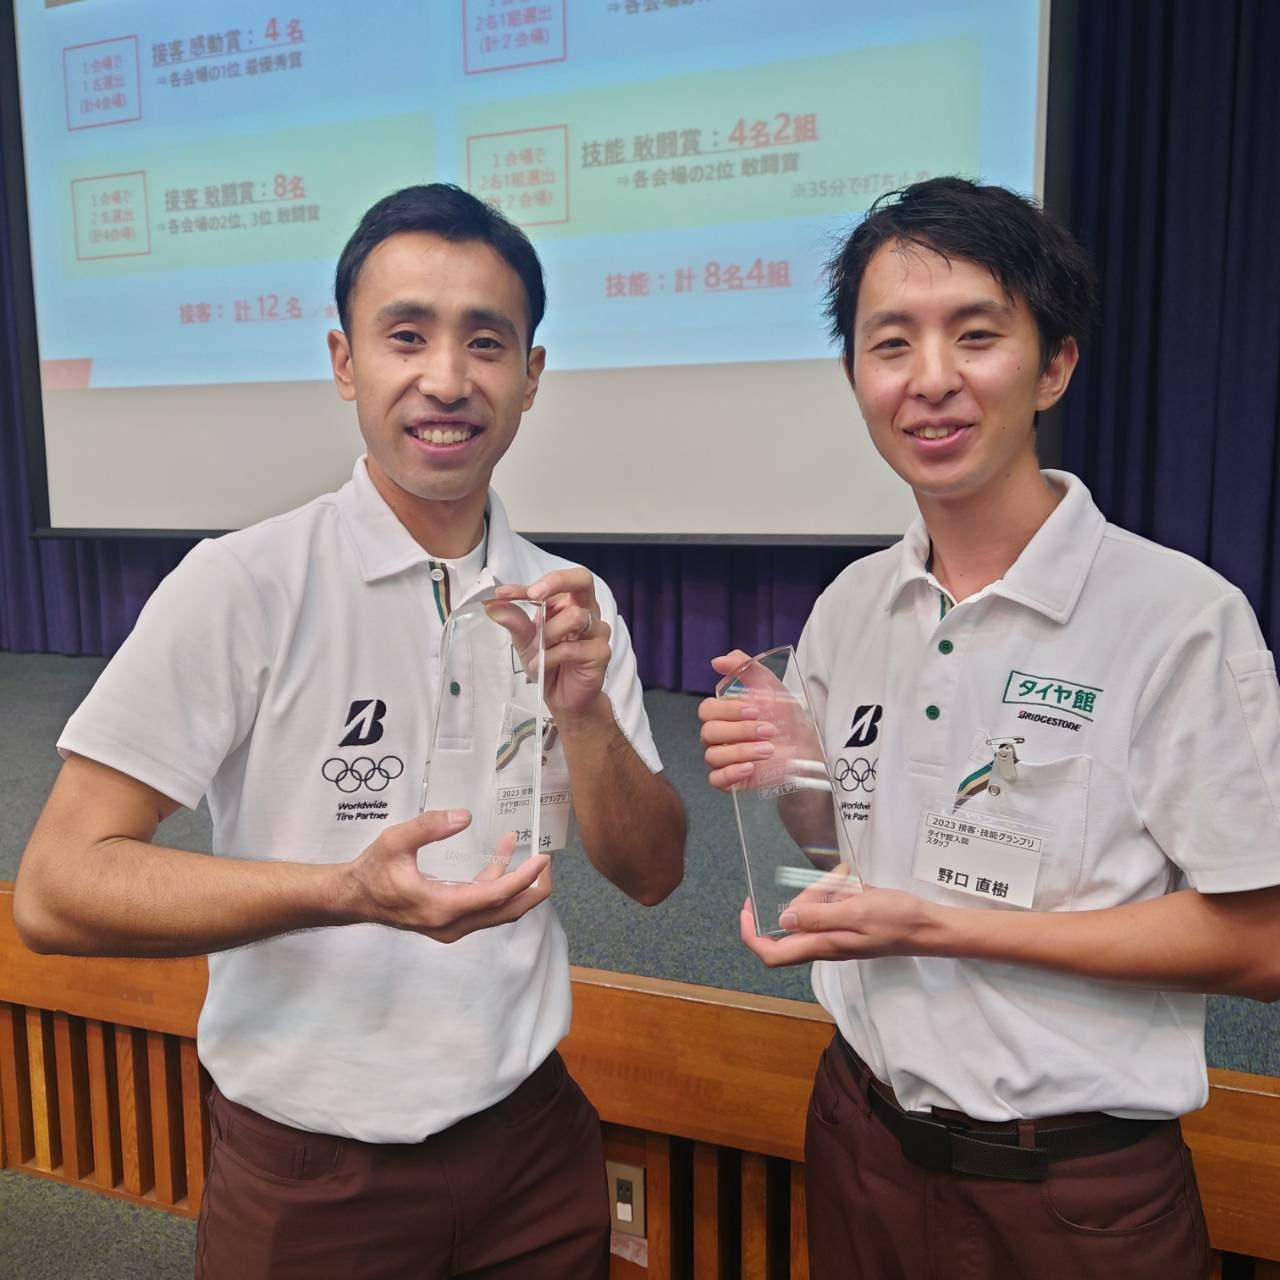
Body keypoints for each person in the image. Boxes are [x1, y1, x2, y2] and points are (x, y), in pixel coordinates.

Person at [15, 183, 686, 1280]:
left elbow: (653, 874)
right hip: (310, 1176)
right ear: (344, 362)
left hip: (534, 1146)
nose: (447, 378)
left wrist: (586, 719)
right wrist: (347, 890)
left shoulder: (567, 600)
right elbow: (55, 889)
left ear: (530, 376)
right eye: (405, 335)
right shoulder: (242, 584)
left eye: (485, 342)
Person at [698, 177, 1280, 1280]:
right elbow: (844, 846)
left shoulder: (1178, 617)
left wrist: (941, 926)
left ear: (1053, 364)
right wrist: (798, 773)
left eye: (975, 335)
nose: (930, 379)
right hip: (859, 1136)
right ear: (855, 376)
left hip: (1072, 1189)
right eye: (890, 344)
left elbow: (1261, 944)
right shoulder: (851, 606)